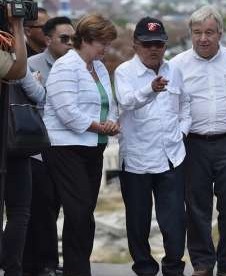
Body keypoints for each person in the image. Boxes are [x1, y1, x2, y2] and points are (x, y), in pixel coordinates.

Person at [170, 5, 226, 276]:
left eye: (209, 32)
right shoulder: (177, 65)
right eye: (197, 33)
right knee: (197, 206)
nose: (203, 38)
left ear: (220, 33)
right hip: (193, 144)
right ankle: (203, 263)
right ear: (190, 34)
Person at [42, 14, 118, 276]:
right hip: (65, 148)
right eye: (103, 43)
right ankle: (77, 270)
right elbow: (67, 112)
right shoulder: (66, 67)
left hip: (93, 147)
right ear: (86, 39)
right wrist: (99, 126)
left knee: (85, 212)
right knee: (78, 212)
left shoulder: (99, 67)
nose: (106, 48)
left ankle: (78, 267)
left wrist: (111, 123)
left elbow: (110, 105)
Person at [114, 17, 190, 276]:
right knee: (138, 222)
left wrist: (181, 131)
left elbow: (185, 107)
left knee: (175, 221)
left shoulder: (174, 70)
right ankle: (145, 269)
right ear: (135, 45)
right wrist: (150, 89)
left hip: (171, 157)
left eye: (158, 44)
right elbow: (126, 102)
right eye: (147, 44)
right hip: (136, 160)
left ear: (165, 45)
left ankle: (173, 268)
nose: (153, 49)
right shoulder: (124, 72)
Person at [21, 16, 75, 276]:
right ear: (48, 38)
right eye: (64, 38)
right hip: (39, 149)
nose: (70, 43)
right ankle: (45, 264)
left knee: (63, 209)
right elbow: (38, 101)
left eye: (73, 39)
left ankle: (48, 263)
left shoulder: (79, 65)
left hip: (70, 148)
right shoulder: (31, 64)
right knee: (42, 210)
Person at [0, 4, 30, 276]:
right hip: (12, 138)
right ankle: (12, 270)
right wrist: (18, 28)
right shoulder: (6, 41)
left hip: (10, 139)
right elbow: (19, 69)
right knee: (19, 209)